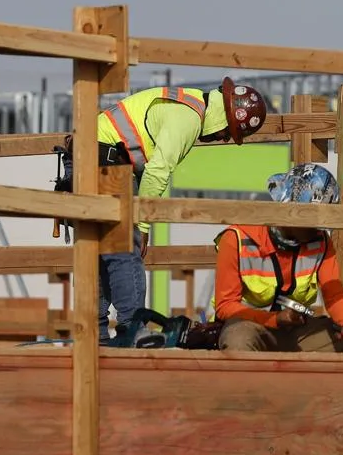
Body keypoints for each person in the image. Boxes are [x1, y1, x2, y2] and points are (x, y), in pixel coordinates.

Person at [92, 79, 270, 342]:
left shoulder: (188, 103)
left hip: (93, 157)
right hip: (106, 163)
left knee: (101, 252)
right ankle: (132, 331)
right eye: (227, 133)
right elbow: (157, 171)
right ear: (223, 120)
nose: (221, 139)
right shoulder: (189, 117)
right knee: (126, 251)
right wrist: (142, 226)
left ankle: (96, 336)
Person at [215, 162, 343, 352]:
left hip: (298, 331)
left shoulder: (320, 241)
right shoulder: (237, 238)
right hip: (248, 326)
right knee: (238, 342)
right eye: (313, 220)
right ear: (290, 210)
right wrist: (275, 319)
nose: (318, 228)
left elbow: (334, 293)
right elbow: (225, 306)